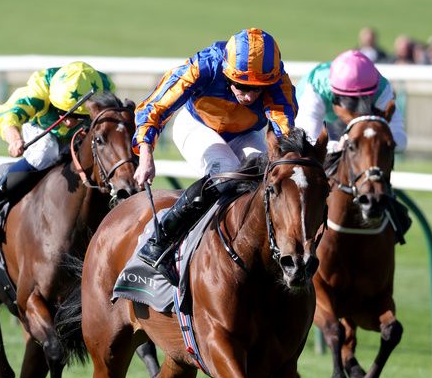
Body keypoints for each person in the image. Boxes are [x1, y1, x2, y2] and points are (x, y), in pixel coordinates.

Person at [132, 28, 298, 283]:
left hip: (245, 133)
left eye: (258, 89)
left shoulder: (278, 82)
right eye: (242, 86)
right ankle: (160, 241)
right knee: (229, 173)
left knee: (264, 177)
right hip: (197, 126)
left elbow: (285, 131)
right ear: (227, 73)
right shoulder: (205, 65)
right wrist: (145, 154)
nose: (250, 95)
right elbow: (156, 105)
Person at [0, 61, 114, 259]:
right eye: (63, 112)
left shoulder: (105, 88)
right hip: (42, 128)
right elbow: (6, 114)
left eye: (77, 115)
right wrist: (14, 138)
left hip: (82, 134)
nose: (68, 121)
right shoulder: (41, 89)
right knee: (46, 151)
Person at [294, 49, 411, 243]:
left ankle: (393, 218)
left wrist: (370, 142)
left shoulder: (382, 89)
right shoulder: (315, 88)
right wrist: (339, 145)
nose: (356, 108)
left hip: (363, 129)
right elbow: (307, 141)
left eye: (362, 100)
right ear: (336, 96)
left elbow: (400, 140)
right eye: (350, 103)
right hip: (318, 125)